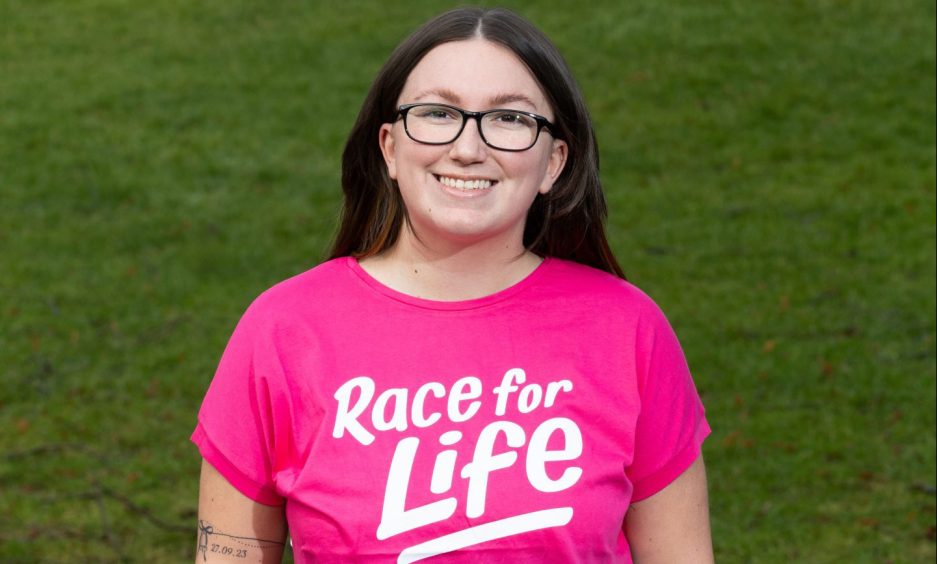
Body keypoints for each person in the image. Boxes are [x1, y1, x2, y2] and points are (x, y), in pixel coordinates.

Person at [192, 6, 713, 563]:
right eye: (439, 113)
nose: (468, 147)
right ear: (390, 147)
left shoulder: (626, 329)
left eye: (510, 120)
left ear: (554, 163)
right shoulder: (283, 330)